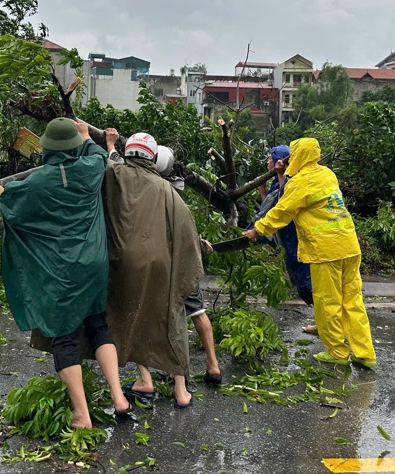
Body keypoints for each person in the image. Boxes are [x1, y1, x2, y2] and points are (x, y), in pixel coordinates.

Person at [0, 117, 130, 428]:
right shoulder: (91, 169)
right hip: (94, 264)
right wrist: (85, 135)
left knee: (64, 337)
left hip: (61, 271)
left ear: (47, 148)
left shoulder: (38, 183)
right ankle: (119, 397)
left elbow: (10, 204)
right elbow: (97, 154)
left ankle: (81, 414)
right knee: (97, 326)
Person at [243, 138, 376, 369]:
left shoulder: (300, 183)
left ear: (299, 157)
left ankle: (337, 352)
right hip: (349, 244)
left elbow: (281, 212)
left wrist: (257, 230)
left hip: (326, 250)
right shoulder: (328, 175)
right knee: (353, 301)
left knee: (328, 302)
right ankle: (365, 354)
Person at [103, 131, 204, 408]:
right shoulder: (165, 189)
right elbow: (185, 230)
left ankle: (144, 380)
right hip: (162, 266)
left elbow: (111, 161)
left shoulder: (116, 173)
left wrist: (111, 144)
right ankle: (181, 391)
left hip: (124, 263)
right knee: (172, 319)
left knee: (132, 316)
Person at [154, 145, 222, 385]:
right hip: (186, 260)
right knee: (197, 311)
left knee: (170, 316)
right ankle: (213, 366)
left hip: (168, 263)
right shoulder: (178, 187)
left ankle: (175, 370)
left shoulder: (156, 191)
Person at [248, 145, 316, 334]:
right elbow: (269, 206)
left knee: (306, 286)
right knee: (301, 283)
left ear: (280, 161)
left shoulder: (293, 181)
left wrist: (256, 231)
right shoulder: (275, 182)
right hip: (287, 240)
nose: (268, 162)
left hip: (299, 239)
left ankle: (329, 324)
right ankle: (325, 322)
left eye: (271, 158)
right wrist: (262, 190)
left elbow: (283, 207)